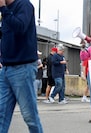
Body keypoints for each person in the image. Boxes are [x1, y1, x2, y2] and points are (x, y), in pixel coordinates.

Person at [0, 0, 43, 132]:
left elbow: (20, 27)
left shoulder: (24, 5)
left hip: (22, 67)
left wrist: (3, 8)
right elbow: (6, 33)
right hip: (6, 68)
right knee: (1, 114)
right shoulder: (6, 12)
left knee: (30, 116)